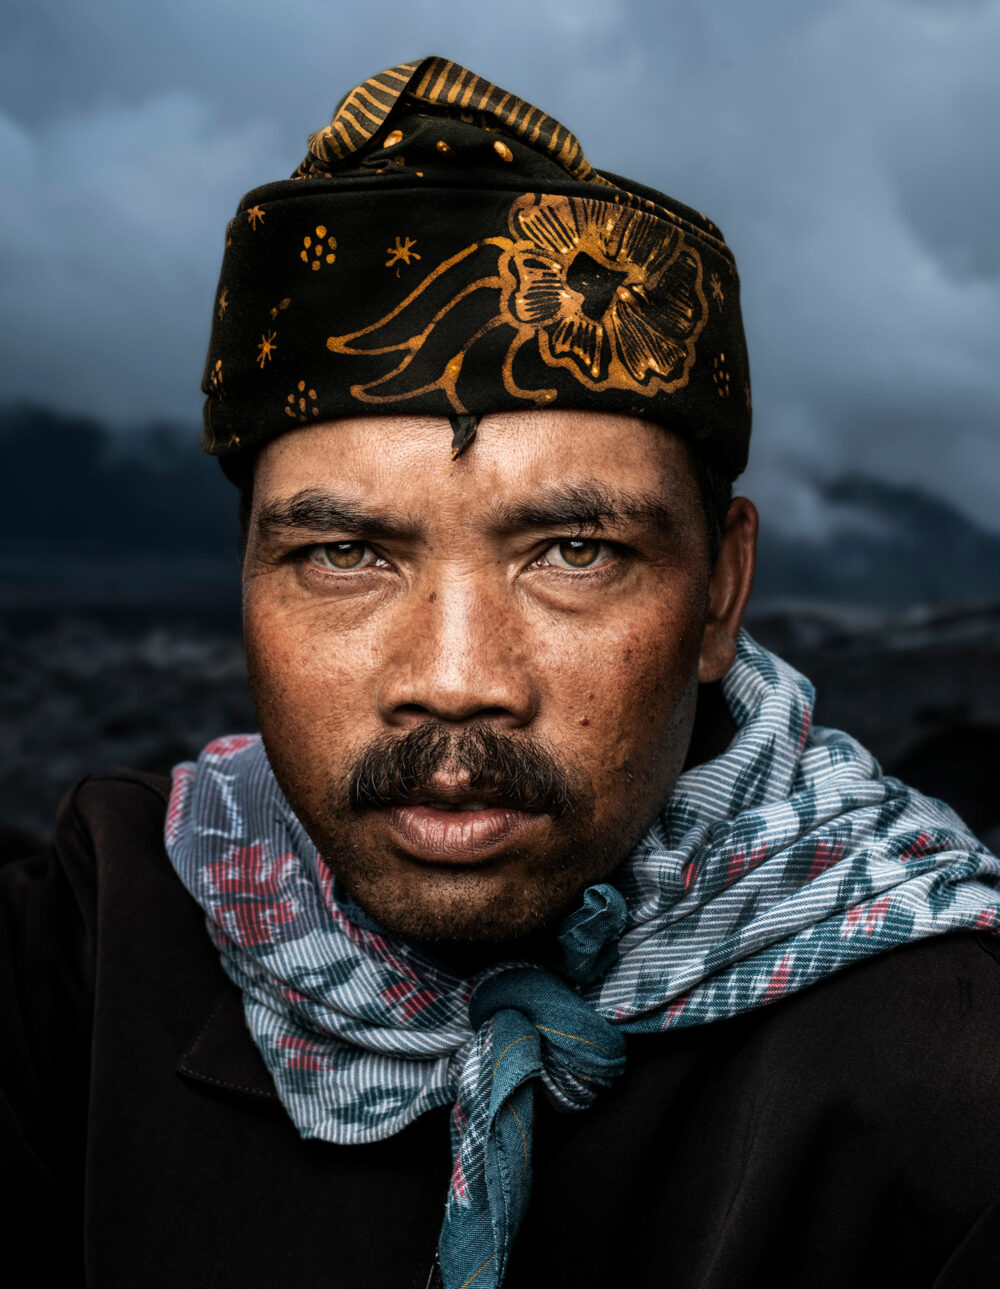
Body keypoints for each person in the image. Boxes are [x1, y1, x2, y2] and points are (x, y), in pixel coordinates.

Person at [2, 56, 999, 1289]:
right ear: (246, 574)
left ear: (720, 592)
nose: (458, 677)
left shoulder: (952, 1067)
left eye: (575, 552)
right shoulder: (89, 948)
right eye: (345, 552)